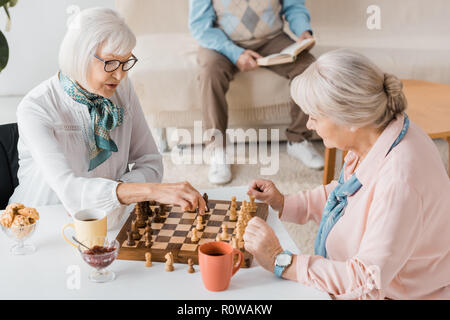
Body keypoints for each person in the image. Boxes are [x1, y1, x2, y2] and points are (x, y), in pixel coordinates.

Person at [245, 49, 450, 299]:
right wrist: (284, 202)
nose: (309, 125)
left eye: (314, 116)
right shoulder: (379, 134)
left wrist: (281, 260)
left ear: (350, 119)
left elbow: (367, 281)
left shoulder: (399, 181)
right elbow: (347, 195)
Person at [9, 8, 206, 228]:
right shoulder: (35, 107)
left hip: (112, 221)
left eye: (126, 62)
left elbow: (150, 160)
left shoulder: (122, 89)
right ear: (80, 56)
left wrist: (122, 191)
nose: (120, 75)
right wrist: (149, 190)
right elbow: (69, 190)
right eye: (111, 63)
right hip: (42, 225)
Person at [189, 0, 324, 185]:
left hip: (271, 39)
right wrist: (236, 54)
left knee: (309, 68)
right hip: (221, 42)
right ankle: (217, 149)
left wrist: (303, 31)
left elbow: (294, 6)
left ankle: (298, 139)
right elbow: (200, 26)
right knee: (209, 73)